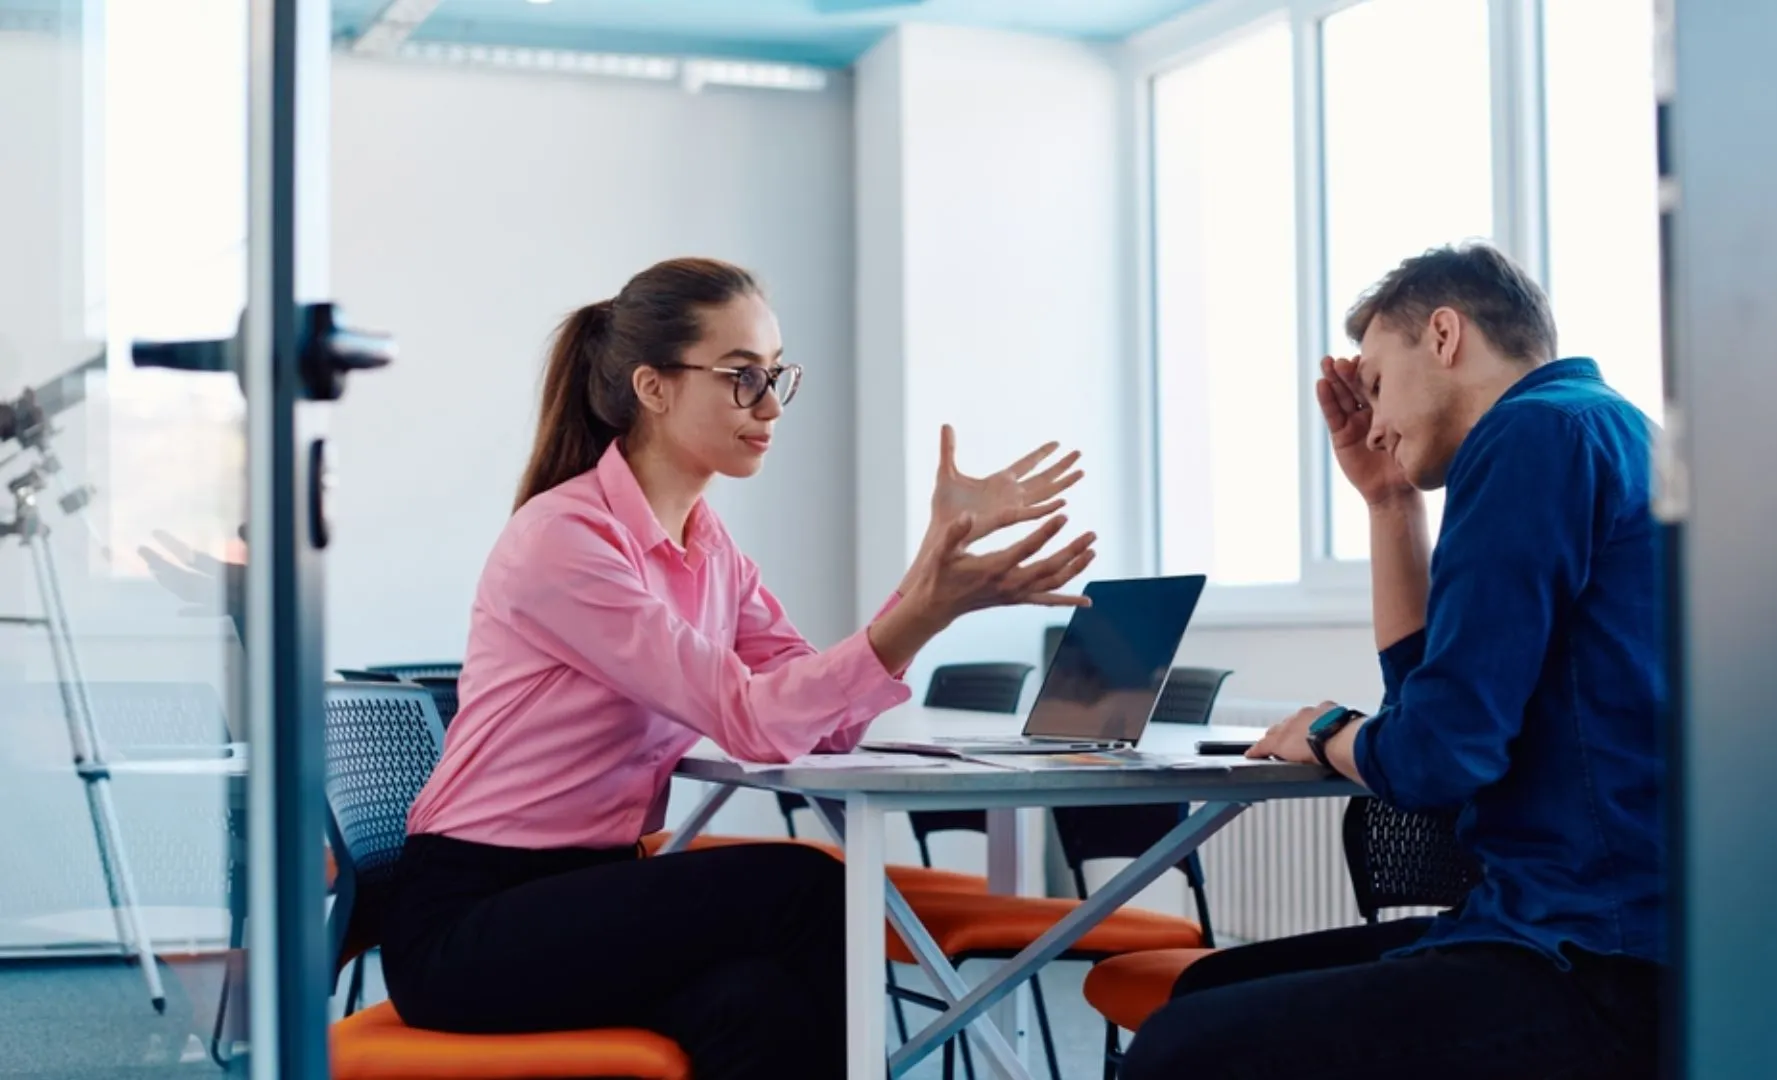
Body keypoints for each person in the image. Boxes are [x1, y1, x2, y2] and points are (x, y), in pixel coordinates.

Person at [379, 257, 1098, 1077]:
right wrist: (925, 609)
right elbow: (752, 720)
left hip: (584, 893)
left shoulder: (709, 547)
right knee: (804, 889)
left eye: (777, 376)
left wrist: (930, 572)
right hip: (472, 920)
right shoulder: (566, 541)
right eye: (742, 377)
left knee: (760, 1005)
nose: (770, 406)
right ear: (654, 388)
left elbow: (825, 724)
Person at [1123, 243, 1664, 1080]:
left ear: (1445, 335)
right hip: (1578, 932)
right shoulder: (1605, 430)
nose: (1372, 424)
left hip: (1591, 960)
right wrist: (1388, 501)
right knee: (1205, 987)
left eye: (1376, 384)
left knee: (1182, 1053)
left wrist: (1327, 731)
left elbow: (1438, 756)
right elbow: (1427, 718)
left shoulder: (1533, 432)